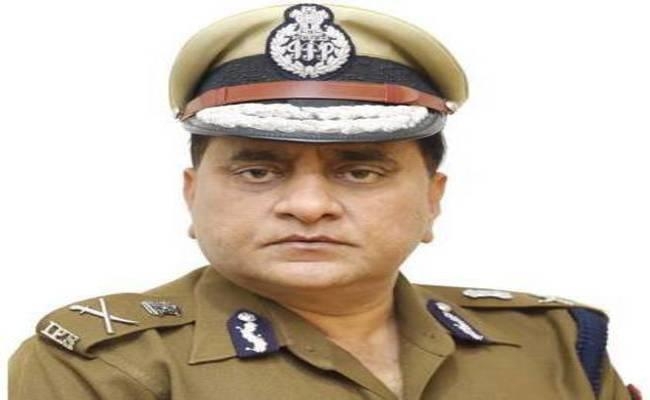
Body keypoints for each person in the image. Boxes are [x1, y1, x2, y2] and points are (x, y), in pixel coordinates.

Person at [8, 3, 640, 399]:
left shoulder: (553, 345)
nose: (309, 206)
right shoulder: (109, 369)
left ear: (433, 198)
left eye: (359, 171)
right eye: (258, 171)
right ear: (192, 194)